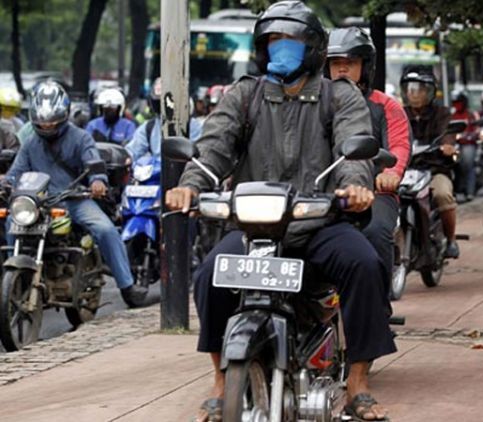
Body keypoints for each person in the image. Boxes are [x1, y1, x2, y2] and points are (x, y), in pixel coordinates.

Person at [164, 2, 395, 421]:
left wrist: (355, 184)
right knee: (209, 275)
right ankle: (220, 380)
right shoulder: (245, 94)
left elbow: (354, 144)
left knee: (365, 263)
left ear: (312, 48)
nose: (281, 48)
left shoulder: (337, 95)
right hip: (255, 229)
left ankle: (358, 382)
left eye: (290, 40)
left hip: (318, 225)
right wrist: (189, 186)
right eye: (272, 41)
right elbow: (214, 146)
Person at [5, 81, 148, 308]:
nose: (47, 126)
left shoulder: (81, 137)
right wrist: (6, 182)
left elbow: (94, 163)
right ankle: (14, 276)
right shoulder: (30, 143)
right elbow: (16, 172)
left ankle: (128, 287)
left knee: (104, 229)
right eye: (43, 122)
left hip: (75, 200)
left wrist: (98, 181)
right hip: (40, 203)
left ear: (63, 115)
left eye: (52, 121)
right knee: (13, 221)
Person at [326, 27, 411, 293]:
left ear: (365, 66)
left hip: (374, 191)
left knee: (374, 232)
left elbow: (398, 144)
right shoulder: (314, 103)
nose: (342, 70)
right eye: (336, 63)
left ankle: (378, 306)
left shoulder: (386, 105)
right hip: (322, 193)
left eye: (349, 63)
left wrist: (392, 173)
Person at [401, 66, 461, 258]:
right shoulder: (399, 113)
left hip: (434, 170)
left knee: (443, 195)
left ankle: (451, 240)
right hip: (405, 171)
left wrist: (447, 146)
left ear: (429, 91)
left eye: (419, 89)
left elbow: (449, 133)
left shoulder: (442, 113)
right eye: (410, 89)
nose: (414, 94)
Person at [126, 78, 203, 162]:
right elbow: (132, 152)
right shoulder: (148, 127)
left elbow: (200, 154)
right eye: (160, 103)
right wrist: (126, 159)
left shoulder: (193, 126)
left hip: (184, 171)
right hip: (154, 172)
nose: (165, 107)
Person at [450, 90, 481, 202]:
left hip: (469, 144)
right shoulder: (452, 115)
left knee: (468, 164)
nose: (457, 105)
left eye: (459, 102)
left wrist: (470, 136)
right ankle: (457, 190)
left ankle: (470, 191)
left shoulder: (472, 114)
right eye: (455, 102)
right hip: (456, 144)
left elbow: (478, 130)